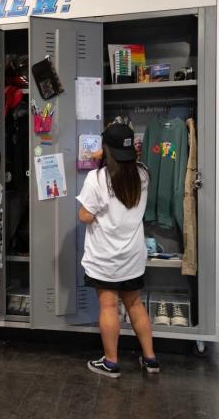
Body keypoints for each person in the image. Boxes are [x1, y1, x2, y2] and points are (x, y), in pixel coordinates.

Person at [76, 123, 159, 378]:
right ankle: (150, 359)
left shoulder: (97, 178)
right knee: (135, 304)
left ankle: (111, 362)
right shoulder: (143, 174)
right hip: (133, 256)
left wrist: (100, 159)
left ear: (106, 149)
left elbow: (85, 216)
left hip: (105, 257)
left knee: (109, 306)